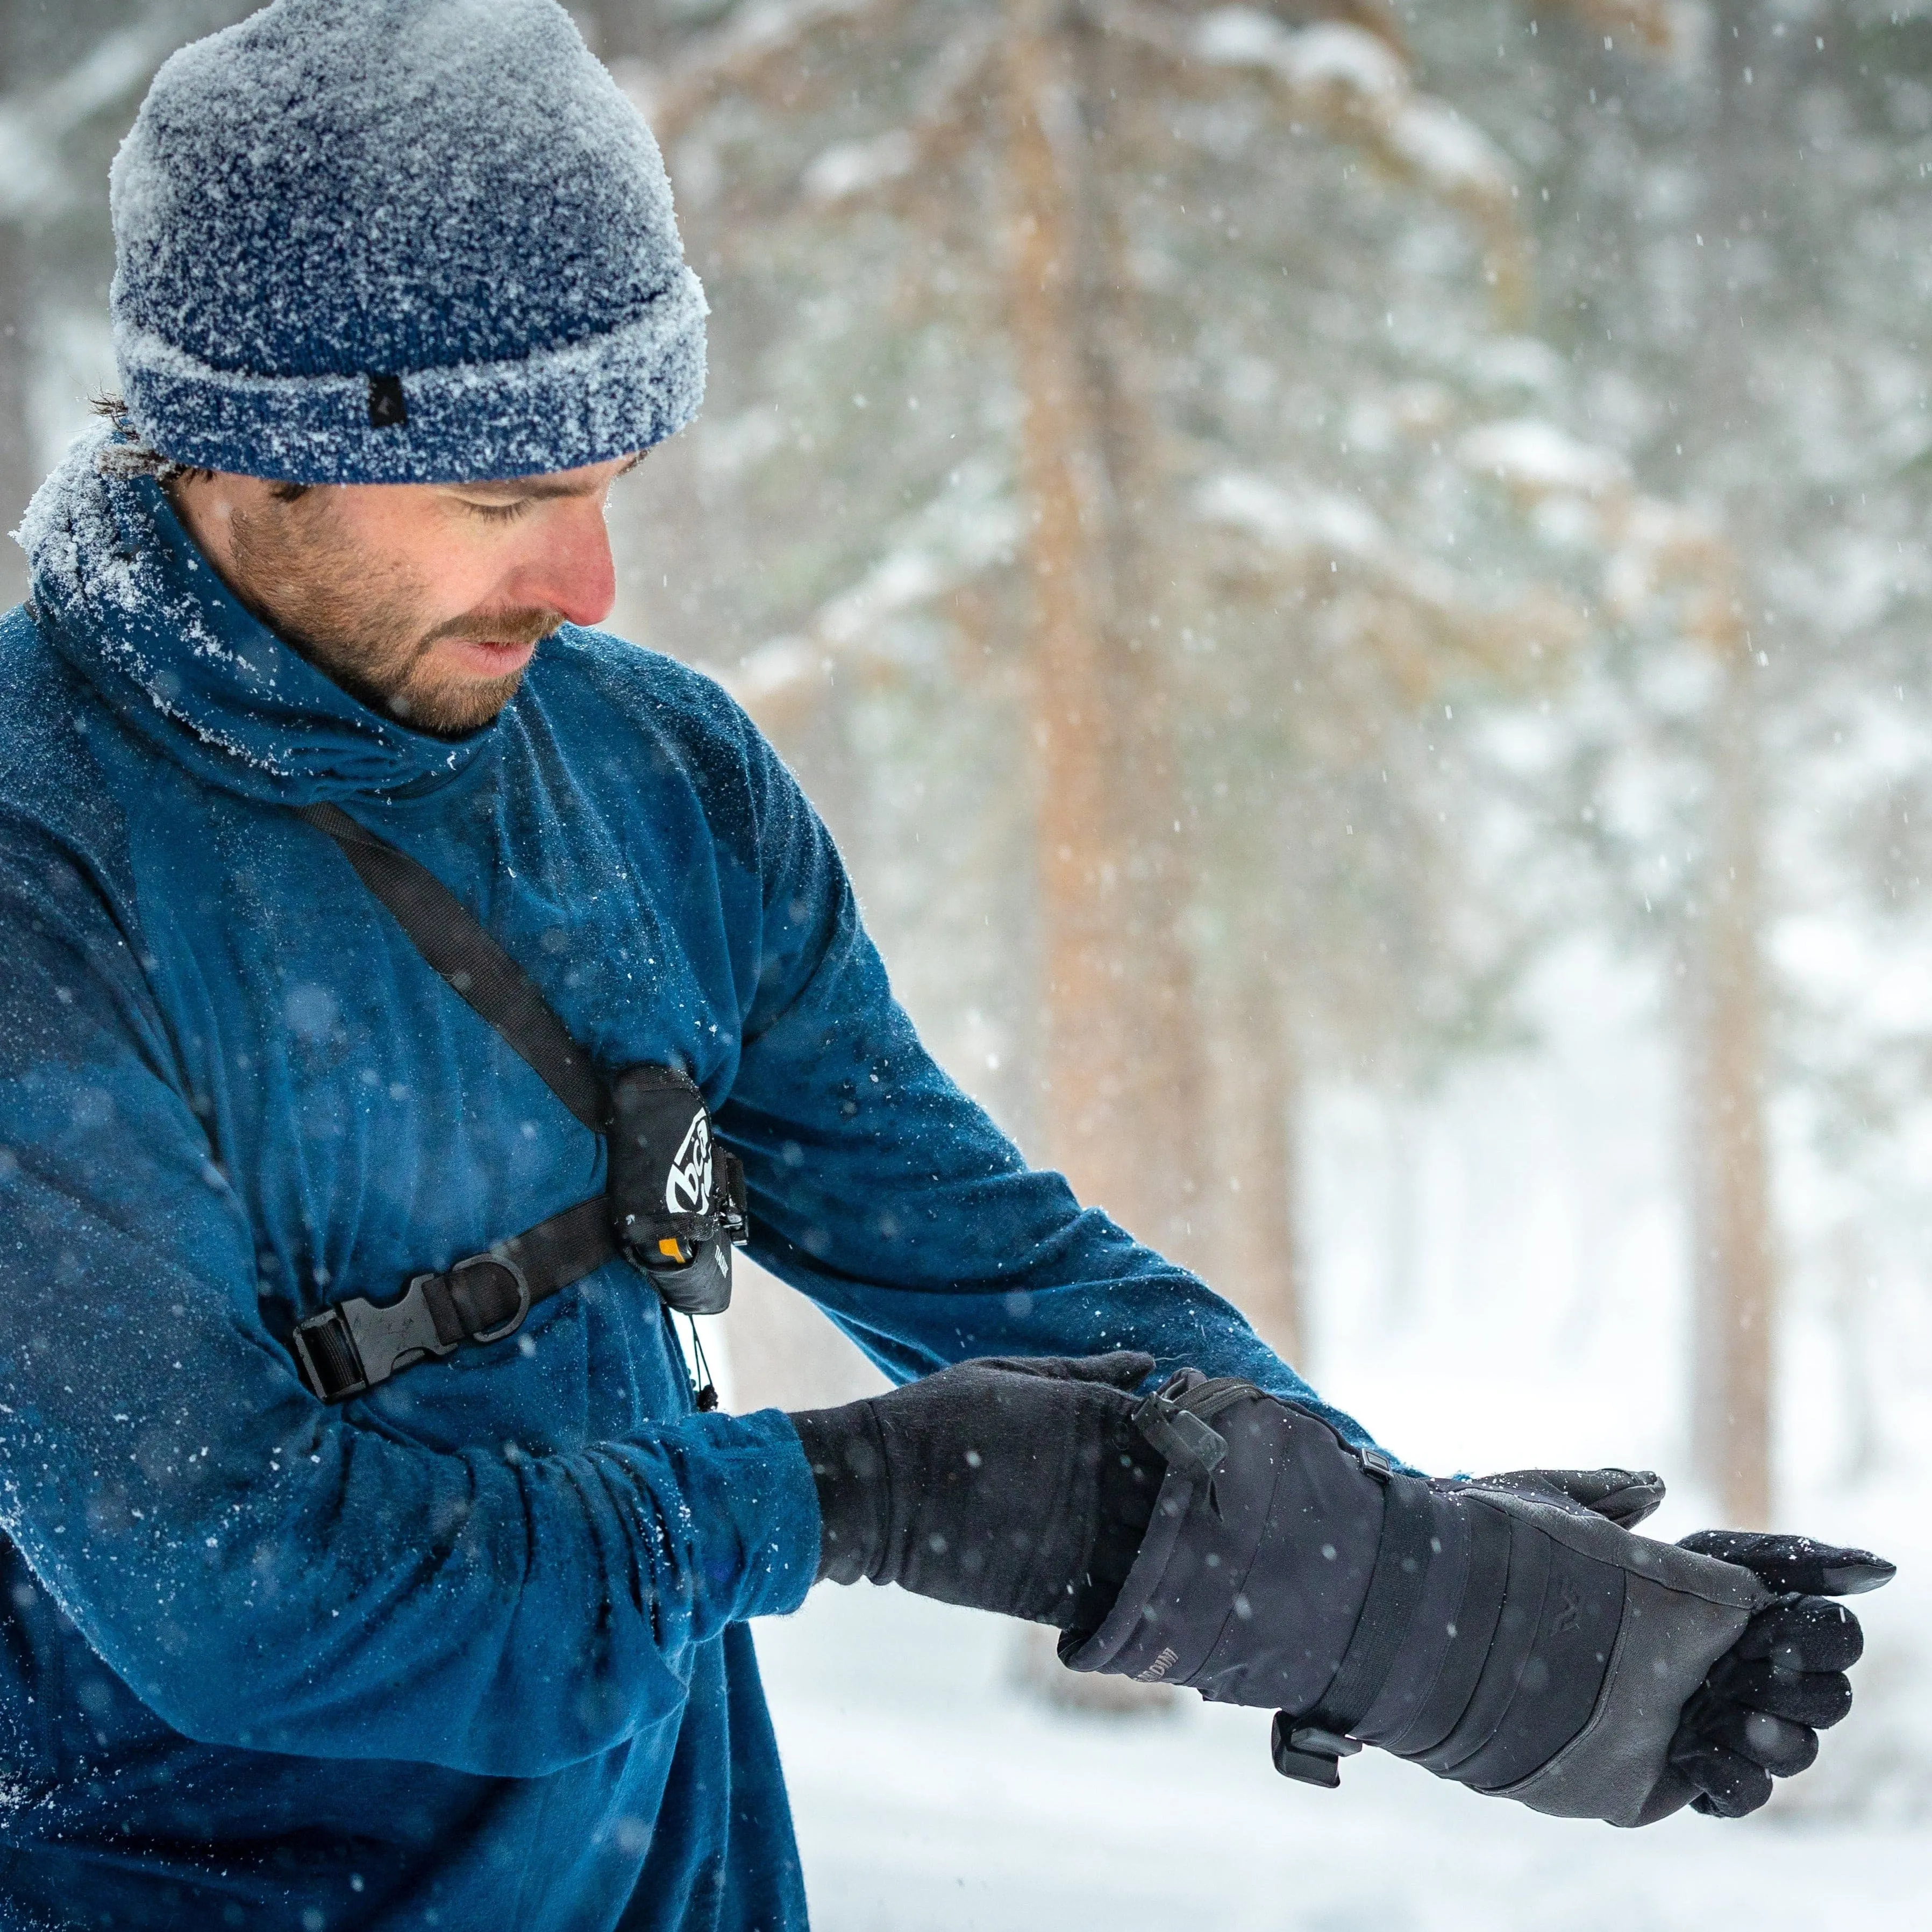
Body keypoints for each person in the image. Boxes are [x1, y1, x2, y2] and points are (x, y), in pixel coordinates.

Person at [0, 4, 1888, 1928]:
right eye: (500, 502)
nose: (586, 589)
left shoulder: (651, 778)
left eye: (608, 486)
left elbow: (982, 1260)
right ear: (251, 445)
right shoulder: (38, 871)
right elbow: (247, 1590)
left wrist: (1406, 1575)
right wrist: (847, 1495)